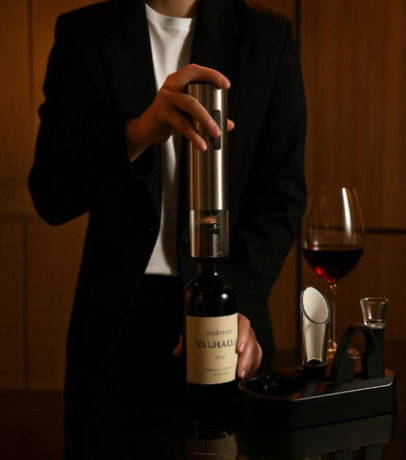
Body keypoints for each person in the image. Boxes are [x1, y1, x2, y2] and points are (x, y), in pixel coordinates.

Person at [29, 0, 306, 453]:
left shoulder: (267, 35)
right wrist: (138, 132)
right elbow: (51, 196)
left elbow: (282, 194)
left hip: (231, 310)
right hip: (118, 325)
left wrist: (241, 302)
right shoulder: (85, 33)